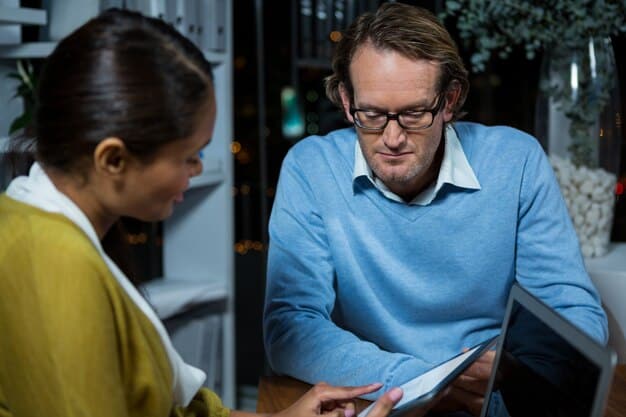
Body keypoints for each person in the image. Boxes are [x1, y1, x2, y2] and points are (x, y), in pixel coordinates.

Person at [0, 9, 404, 417]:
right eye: (189, 155)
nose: (198, 170)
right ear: (113, 160)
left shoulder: (40, 226)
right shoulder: (58, 267)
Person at [263, 3, 608, 416]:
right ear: (345, 100)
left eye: (413, 114)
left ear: (449, 101)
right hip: (374, 399)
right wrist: (424, 382)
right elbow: (290, 328)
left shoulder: (515, 161)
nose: (392, 138)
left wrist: (513, 372)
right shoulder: (311, 168)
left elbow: (573, 315)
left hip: (489, 397)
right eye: (371, 114)